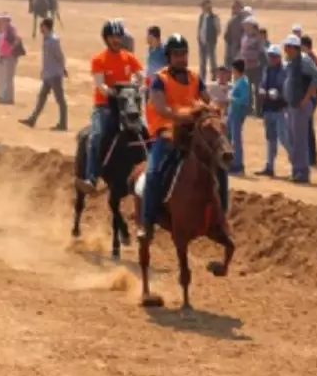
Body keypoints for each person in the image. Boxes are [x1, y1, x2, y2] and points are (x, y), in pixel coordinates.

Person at [138, 34, 226, 241]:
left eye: (184, 54)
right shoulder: (159, 80)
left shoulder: (195, 77)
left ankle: (222, 216)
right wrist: (187, 115)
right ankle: (147, 223)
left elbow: (207, 99)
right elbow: (163, 109)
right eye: (177, 55)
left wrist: (212, 109)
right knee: (154, 172)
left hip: (192, 134)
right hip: (167, 134)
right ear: (169, 57)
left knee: (221, 164)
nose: (181, 58)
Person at [79, 19, 144, 194]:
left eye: (118, 36)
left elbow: (140, 76)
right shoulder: (99, 59)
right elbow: (100, 84)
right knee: (96, 136)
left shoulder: (128, 57)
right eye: (113, 36)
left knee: (147, 132)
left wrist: (137, 84)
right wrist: (112, 91)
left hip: (127, 105)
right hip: (105, 106)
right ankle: (91, 177)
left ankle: (151, 171)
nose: (116, 39)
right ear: (106, 38)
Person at [283, 34, 317, 184]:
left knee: (300, 140)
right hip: (291, 105)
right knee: (292, 139)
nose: (285, 49)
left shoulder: (304, 61)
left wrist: (306, 98)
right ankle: (296, 170)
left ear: (294, 47)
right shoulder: (291, 61)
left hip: (301, 105)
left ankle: (302, 172)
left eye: (287, 46)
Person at [19, 17, 68, 131]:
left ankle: (63, 124)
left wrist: (63, 68)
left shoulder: (53, 40)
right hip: (48, 74)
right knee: (42, 97)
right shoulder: (47, 39)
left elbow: (60, 56)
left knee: (60, 99)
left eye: (42, 26)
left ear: (46, 27)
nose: (40, 29)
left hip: (54, 74)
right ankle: (32, 119)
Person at [256, 45, 290, 177]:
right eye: (270, 56)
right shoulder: (267, 69)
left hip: (280, 109)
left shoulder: (284, 70)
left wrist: (279, 94)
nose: (271, 58)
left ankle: (296, 165)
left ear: (279, 57)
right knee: (270, 139)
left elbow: (287, 88)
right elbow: (262, 84)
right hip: (268, 108)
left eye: (274, 56)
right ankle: (269, 167)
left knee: (284, 138)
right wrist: (262, 90)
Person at [227, 58, 251, 175]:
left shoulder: (243, 82)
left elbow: (245, 99)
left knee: (236, 139)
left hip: (237, 113)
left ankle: (238, 165)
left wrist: (232, 99)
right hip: (233, 113)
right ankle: (232, 163)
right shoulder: (239, 81)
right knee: (230, 137)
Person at [301, 35, 317, 167]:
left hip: (310, 97)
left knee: (307, 127)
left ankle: (311, 157)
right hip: (307, 97)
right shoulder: (305, 59)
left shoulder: (312, 60)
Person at [197, 0, 220, 79]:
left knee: (212, 60)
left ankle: (214, 76)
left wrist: (212, 38)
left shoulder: (214, 17)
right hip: (202, 42)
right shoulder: (201, 16)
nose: (202, 8)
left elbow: (218, 30)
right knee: (202, 61)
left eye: (203, 6)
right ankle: (202, 76)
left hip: (210, 42)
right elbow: (200, 28)